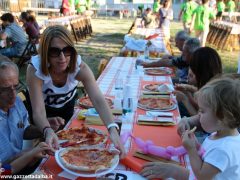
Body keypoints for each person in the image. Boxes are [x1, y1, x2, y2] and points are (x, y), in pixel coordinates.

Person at [26, 25, 125, 158]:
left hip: (67, 109)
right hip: (43, 114)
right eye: (55, 52)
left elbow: (97, 99)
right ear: (45, 53)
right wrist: (47, 130)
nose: (62, 57)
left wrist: (112, 127)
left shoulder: (79, 67)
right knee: (45, 153)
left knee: (72, 153)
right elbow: (38, 111)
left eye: (67, 50)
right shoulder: (35, 69)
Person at [140, 77, 240, 179]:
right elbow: (206, 156)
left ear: (223, 117)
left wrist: (191, 149)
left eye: (202, 111)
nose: (198, 115)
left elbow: (202, 177)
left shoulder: (223, 149)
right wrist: (197, 146)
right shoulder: (220, 134)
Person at [0, 57, 52, 174]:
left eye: (16, 86)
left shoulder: (16, 101)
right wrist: (26, 156)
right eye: (5, 89)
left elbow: (24, 129)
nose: (13, 95)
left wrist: (45, 128)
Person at [175, 47, 222, 117]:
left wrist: (184, 99)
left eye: (192, 74)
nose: (189, 71)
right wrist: (187, 92)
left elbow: (200, 120)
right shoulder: (212, 82)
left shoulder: (212, 92)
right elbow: (199, 107)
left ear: (201, 72)